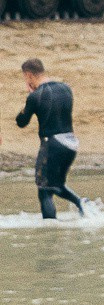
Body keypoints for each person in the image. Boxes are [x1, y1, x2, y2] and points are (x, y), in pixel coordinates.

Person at [16, 58, 86, 220]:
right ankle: (82, 203)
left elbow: (21, 122)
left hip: (52, 144)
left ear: (28, 75)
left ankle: (50, 228)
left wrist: (30, 98)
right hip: (71, 143)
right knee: (55, 185)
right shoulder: (66, 88)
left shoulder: (36, 96)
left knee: (44, 190)